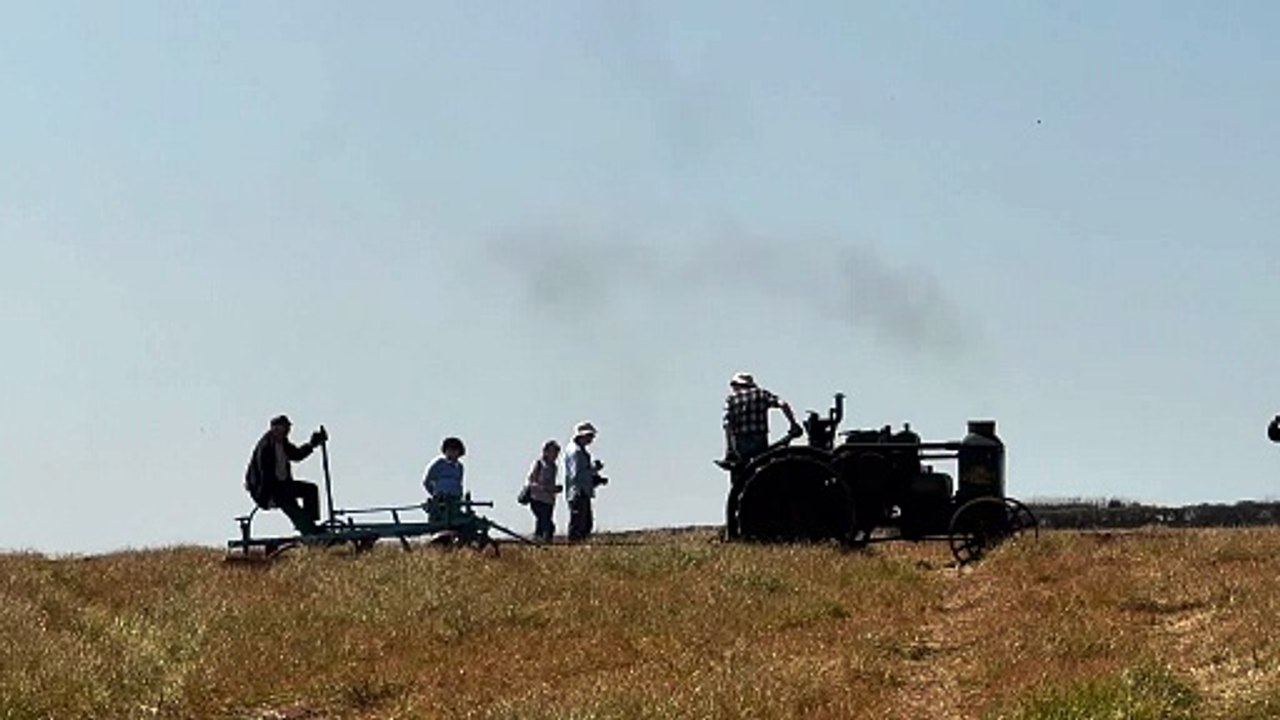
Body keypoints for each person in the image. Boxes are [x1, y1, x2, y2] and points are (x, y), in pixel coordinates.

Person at [721, 372, 802, 539]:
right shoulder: (762, 394)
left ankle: (737, 526)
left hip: (740, 444)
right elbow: (783, 404)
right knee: (763, 477)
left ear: (737, 385)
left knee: (739, 483)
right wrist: (793, 424)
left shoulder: (732, 400)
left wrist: (730, 448)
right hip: (760, 442)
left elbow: (727, 424)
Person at [244, 415, 328, 535]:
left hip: (283, 486)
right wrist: (267, 498)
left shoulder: (283, 443)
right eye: (285, 429)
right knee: (290, 506)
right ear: (275, 429)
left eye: (288, 429)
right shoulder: (266, 447)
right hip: (269, 490)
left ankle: (309, 523)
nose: (287, 432)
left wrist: (311, 444)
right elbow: (264, 477)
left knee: (310, 490)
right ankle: (309, 530)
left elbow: (296, 455)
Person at [565, 422, 607, 542]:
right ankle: (575, 549)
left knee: (585, 524)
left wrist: (595, 478)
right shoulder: (576, 452)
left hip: (582, 492)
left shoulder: (579, 451)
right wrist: (594, 469)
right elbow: (577, 474)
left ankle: (578, 547)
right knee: (579, 525)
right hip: (578, 493)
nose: (591, 439)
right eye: (590, 436)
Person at [526, 439, 563, 541]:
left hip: (549, 500)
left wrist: (555, 489)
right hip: (537, 499)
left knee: (542, 524)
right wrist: (544, 488)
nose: (555, 455)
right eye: (553, 452)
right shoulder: (539, 464)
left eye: (556, 452)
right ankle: (542, 542)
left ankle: (539, 543)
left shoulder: (554, 467)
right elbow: (531, 482)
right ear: (546, 452)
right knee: (547, 524)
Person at [423, 436, 466, 522]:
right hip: (440, 499)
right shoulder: (439, 464)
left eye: (454, 450)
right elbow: (427, 482)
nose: (451, 453)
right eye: (449, 450)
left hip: (455, 499)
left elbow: (459, 482)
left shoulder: (459, 467)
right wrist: (436, 493)